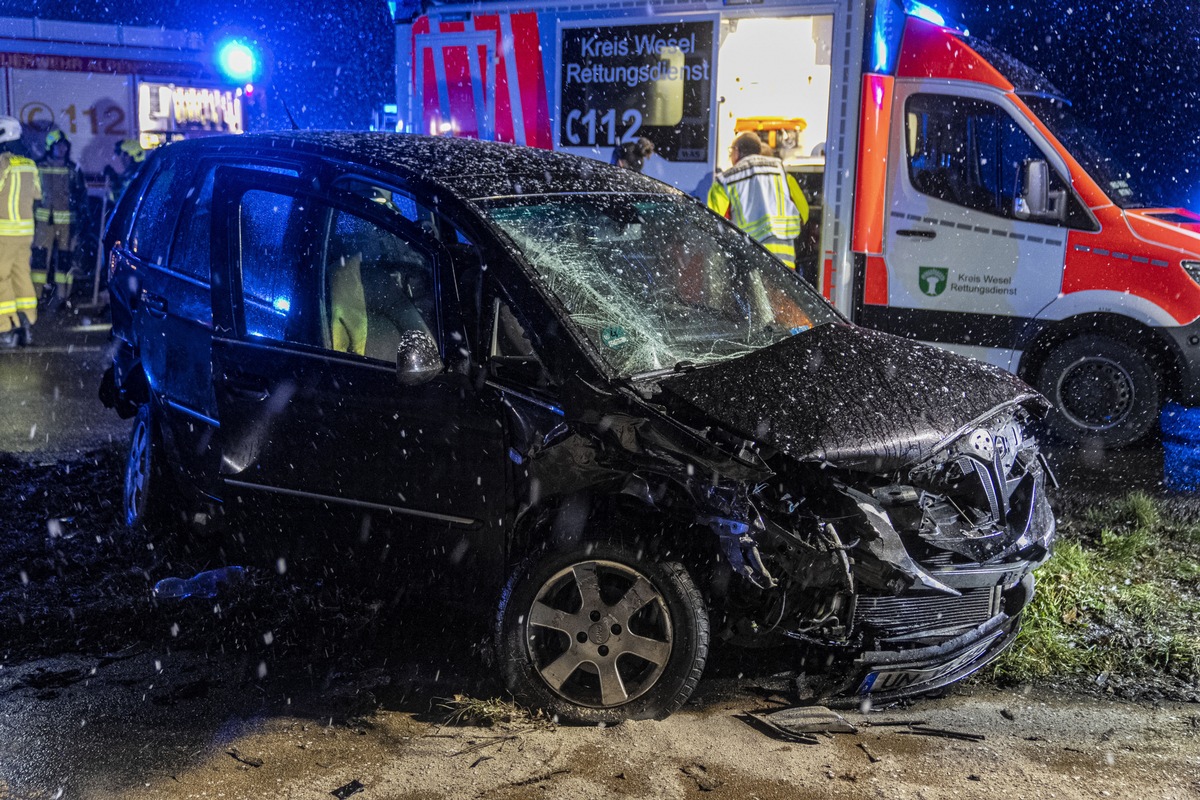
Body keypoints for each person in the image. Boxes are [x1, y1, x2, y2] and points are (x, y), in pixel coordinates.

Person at [707, 132, 809, 269]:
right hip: (784, 256)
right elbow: (803, 211)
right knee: (778, 290)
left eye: (731, 151)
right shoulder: (781, 172)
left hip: (748, 254)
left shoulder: (725, 181)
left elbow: (714, 222)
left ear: (737, 151)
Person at [33, 129, 87, 311]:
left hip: (67, 224)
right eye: (58, 145)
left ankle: (63, 297)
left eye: (65, 145)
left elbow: (81, 196)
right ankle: (36, 296)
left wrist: (81, 222)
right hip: (43, 223)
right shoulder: (39, 167)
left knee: (64, 261)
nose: (62, 149)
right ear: (50, 147)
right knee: (40, 260)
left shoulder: (72, 169)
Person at [0, 117, 41, 348]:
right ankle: (27, 320)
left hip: (3, 232)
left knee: (0, 278)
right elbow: (36, 195)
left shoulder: (2, 162)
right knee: (22, 275)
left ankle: (6, 327)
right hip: (25, 233)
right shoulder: (29, 164)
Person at [103, 138, 145, 206]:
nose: (123, 159)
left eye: (125, 154)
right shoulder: (136, 171)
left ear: (134, 155)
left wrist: (114, 178)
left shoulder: (137, 174)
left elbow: (121, 199)